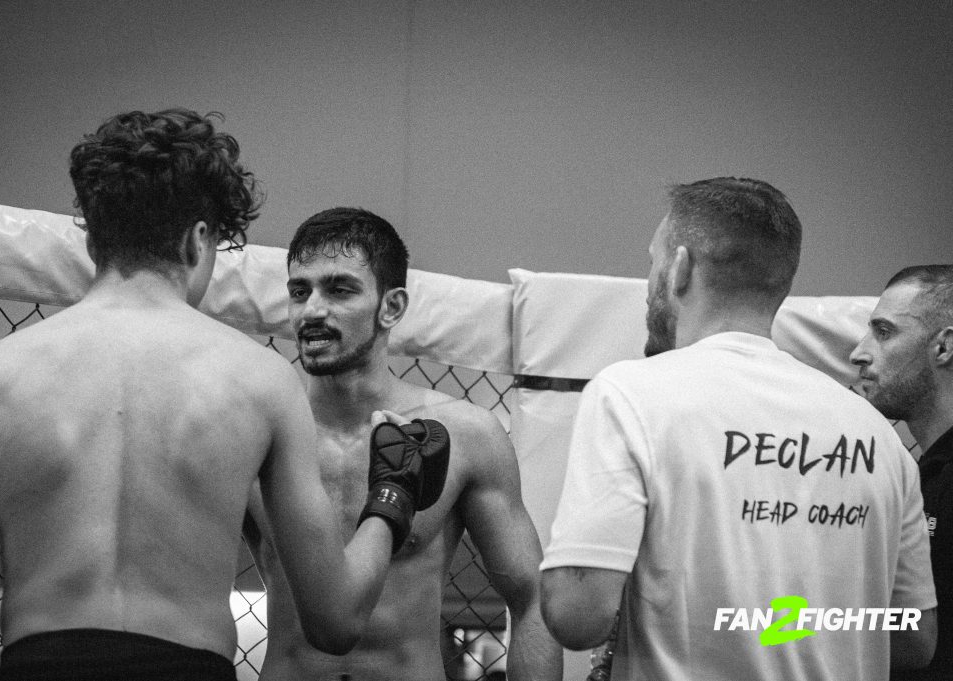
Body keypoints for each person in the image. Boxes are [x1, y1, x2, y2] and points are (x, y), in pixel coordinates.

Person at [0, 110, 444, 681]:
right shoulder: (260, 380)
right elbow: (336, 622)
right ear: (199, 239)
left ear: (92, 235)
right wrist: (394, 494)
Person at [539, 177, 937, 680]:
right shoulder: (876, 435)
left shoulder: (631, 395)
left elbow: (579, 616)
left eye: (654, 261)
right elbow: (912, 638)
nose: (652, 280)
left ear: (679, 267)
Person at [242, 207, 562, 681]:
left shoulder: (466, 434)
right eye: (299, 290)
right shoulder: (256, 431)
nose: (312, 310)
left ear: (391, 307)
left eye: (339, 289)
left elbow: (533, 598)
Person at [851, 264, 953, 680]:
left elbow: (921, 636)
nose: (858, 352)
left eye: (884, 331)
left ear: (944, 348)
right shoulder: (917, 470)